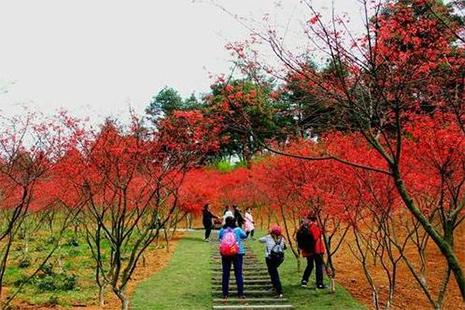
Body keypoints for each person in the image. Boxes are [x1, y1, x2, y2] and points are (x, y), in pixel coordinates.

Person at [218, 216, 247, 299]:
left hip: (226, 253)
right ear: (235, 222)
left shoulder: (223, 230)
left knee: (225, 273)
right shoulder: (237, 230)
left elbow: (220, 237)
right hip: (238, 252)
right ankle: (240, 294)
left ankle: (225, 294)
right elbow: (244, 235)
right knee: (238, 273)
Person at [259, 225, 286, 298]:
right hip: (278, 258)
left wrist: (267, 234)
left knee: (274, 274)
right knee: (273, 272)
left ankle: (279, 291)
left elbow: (260, 240)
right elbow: (283, 247)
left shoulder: (268, 237)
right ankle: (274, 287)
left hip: (270, 258)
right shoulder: (282, 238)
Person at [299, 215, 325, 289]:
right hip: (317, 249)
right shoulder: (314, 226)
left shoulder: (302, 227)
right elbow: (316, 237)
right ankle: (319, 283)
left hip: (308, 250)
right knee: (318, 265)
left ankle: (304, 280)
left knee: (310, 265)